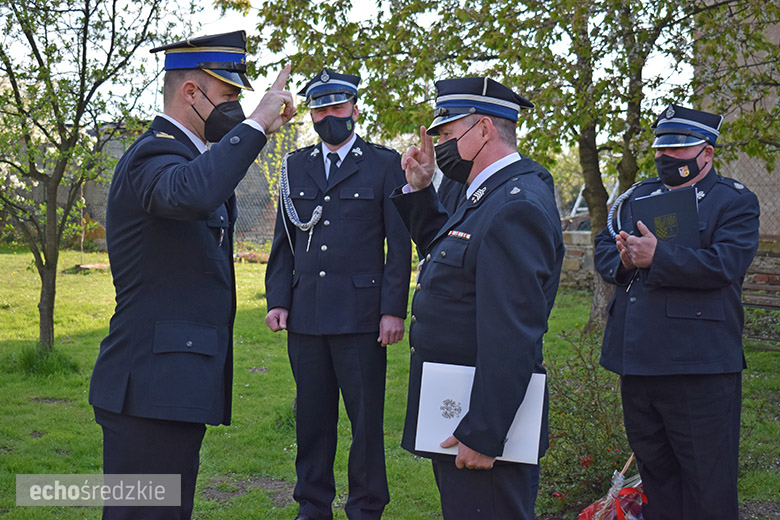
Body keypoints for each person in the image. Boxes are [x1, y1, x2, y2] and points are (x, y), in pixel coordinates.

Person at [88, 30, 295, 519]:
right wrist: (259, 124)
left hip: (171, 385)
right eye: (228, 97)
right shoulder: (152, 154)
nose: (236, 110)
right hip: (148, 390)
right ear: (190, 93)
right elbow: (189, 194)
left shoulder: (190, 157)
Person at [390, 77, 564, 520]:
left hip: (479, 427)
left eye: (446, 134)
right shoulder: (485, 193)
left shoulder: (515, 204)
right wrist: (421, 189)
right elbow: (456, 261)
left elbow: (512, 332)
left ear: (484, 130)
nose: (438, 144)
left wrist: (485, 433)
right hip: (456, 409)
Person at [594, 103, 760, 520]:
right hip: (639, 361)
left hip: (698, 366)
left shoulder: (733, 202)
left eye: (680, 148)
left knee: (707, 481)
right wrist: (626, 260)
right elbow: (603, 246)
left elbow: (726, 264)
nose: (667, 157)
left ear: (707, 152)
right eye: (662, 148)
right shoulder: (639, 196)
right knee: (657, 477)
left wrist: (659, 256)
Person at [264, 68, 412, 520]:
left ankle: (366, 507)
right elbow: (284, 239)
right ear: (311, 114)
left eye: (337, 107)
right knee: (312, 419)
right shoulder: (295, 165)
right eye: (321, 109)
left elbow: (398, 244)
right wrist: (277, 299)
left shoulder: (385, 164)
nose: (329, 115)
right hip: (306, 315)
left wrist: (392, 311)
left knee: (365, 422)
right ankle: (312, 505)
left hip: (362, 317)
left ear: (354, 109)